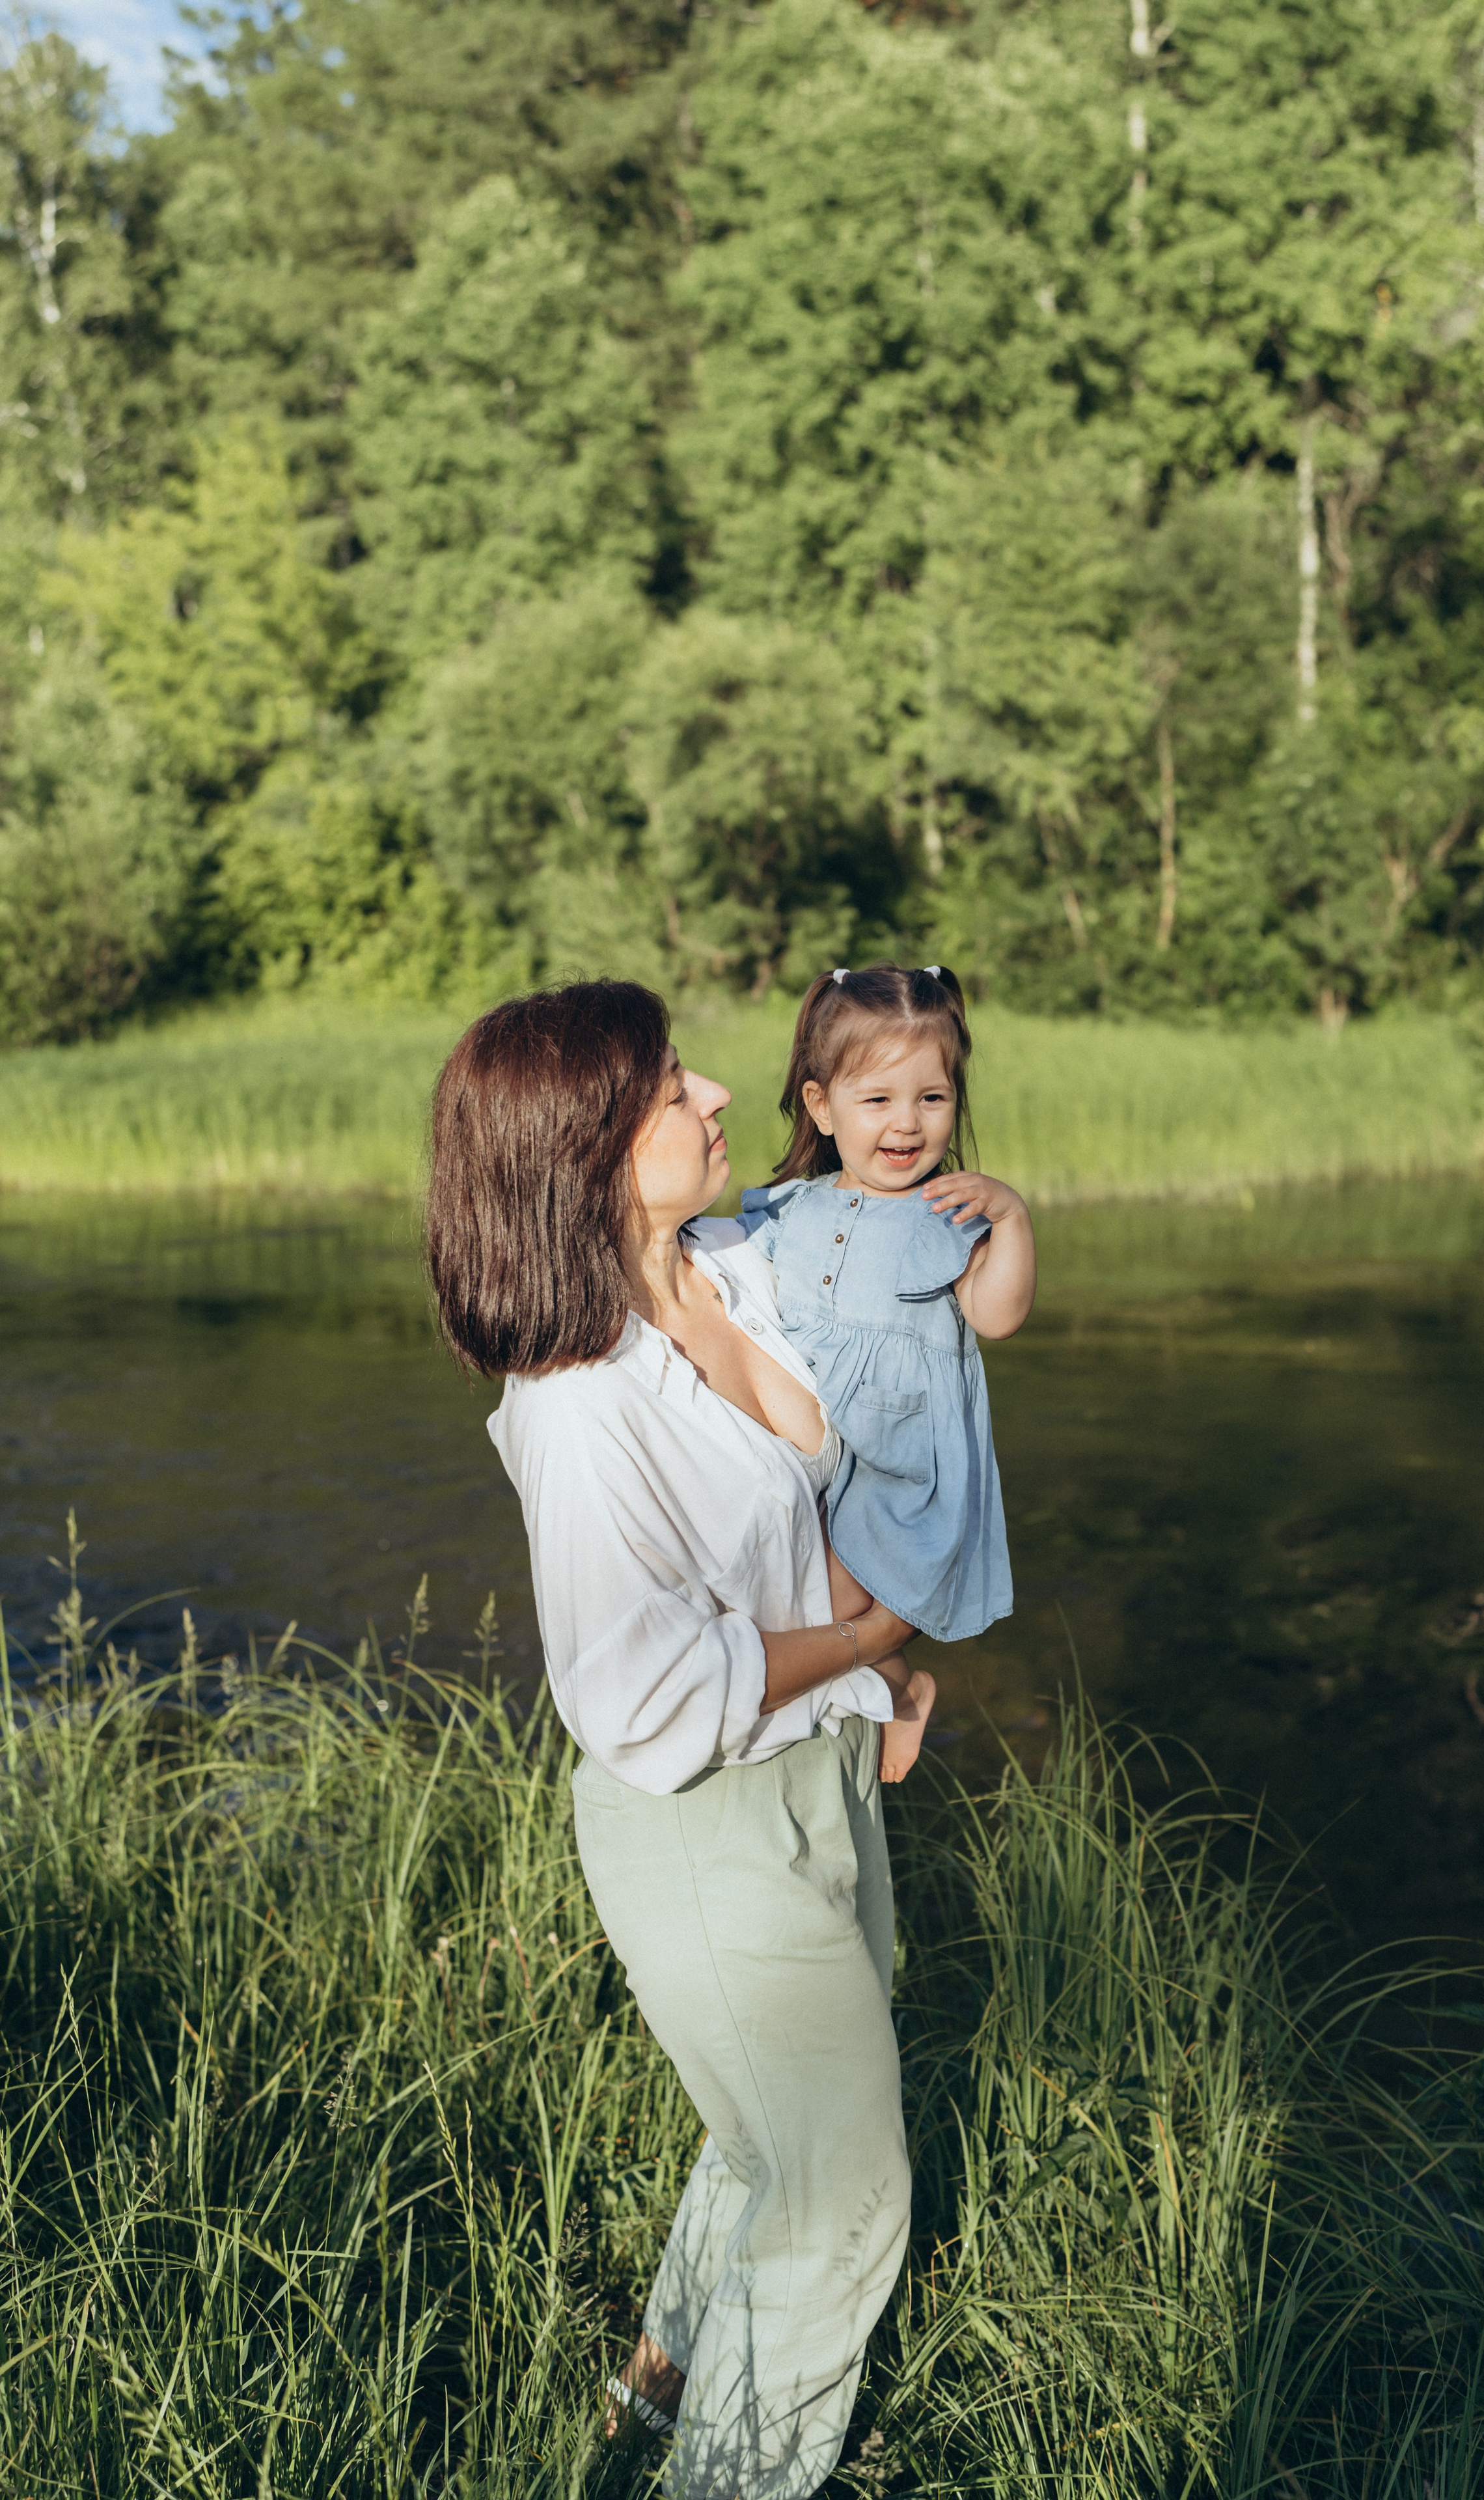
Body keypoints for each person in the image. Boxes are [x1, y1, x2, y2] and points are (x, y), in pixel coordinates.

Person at [424, 979, 917, 2500]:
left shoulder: (728, 1263)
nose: (713, 1097)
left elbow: (888, 1255)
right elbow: (636, 1696)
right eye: (668, 1093)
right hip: (706, 1827)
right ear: (582, 1158)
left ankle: (649, 2402)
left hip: (826, 1771)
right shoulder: (577, 1407)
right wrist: (864, 1638)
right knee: (844, 2197)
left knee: (770, 2144)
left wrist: (876, 1678)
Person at [727, 964, 1036, 1783]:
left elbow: (999, 1316)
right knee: (785, 1591)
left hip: (898, 1464)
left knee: (826, 1604)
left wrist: (1011, 1217)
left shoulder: (948, 1215)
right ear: (821, 1105)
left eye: (931, 1098)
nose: (906, 1123)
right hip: (809, 1452)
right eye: (877, 1100)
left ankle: (898, 1693)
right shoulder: (789, 1210)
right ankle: (893, 1692)